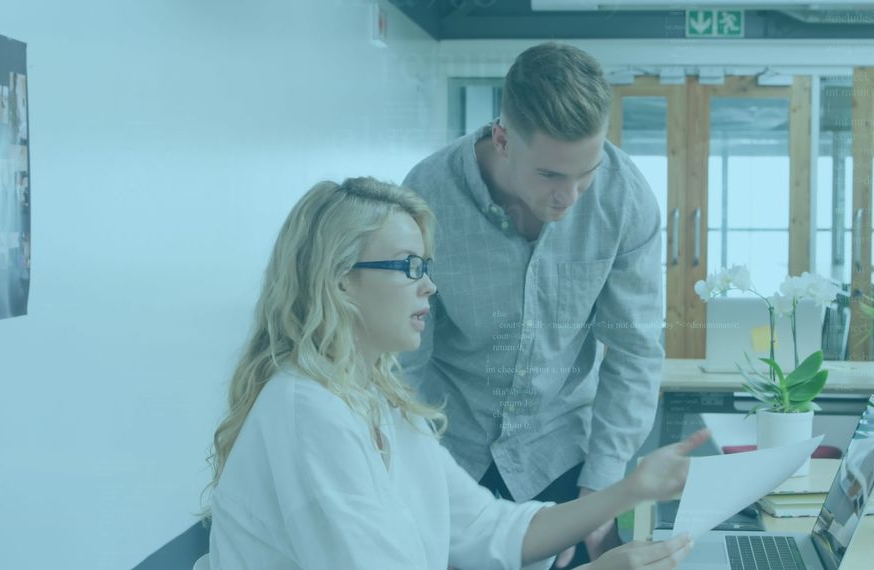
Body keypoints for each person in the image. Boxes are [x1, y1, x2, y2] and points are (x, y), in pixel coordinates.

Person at [203, 177, 704, 569]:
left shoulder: (381, 401)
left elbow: (489, 529)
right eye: (408, 268)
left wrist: (633, 488)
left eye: (427, 267)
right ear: (340, 283)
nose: (430, 288)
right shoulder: (306, 412)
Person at [400, 42, 664, 568]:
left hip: (561, 450)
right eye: (550, 176)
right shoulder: (426, 195)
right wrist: (411, 463)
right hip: (452, 445)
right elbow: (405, 358)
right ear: (502, 138)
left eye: (585, 172)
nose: (569, 196)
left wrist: (600, 490)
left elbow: (634, 352)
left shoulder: (625, 199)